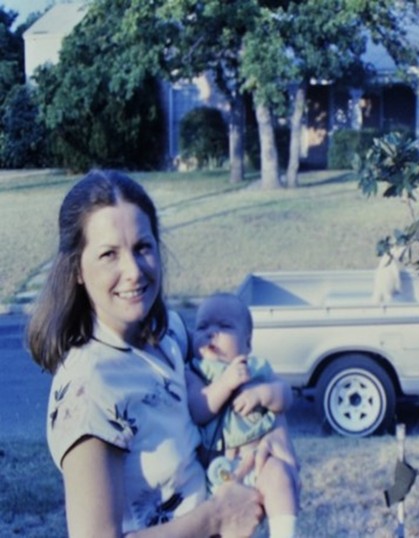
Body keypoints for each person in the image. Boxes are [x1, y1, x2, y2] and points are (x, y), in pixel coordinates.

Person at [26, 169, 298, 538]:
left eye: (142, 247)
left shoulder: (169, 332)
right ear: (77, 269)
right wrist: (216, 518)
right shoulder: (88, 390)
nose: (133, 271)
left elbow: (214, 410)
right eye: (109, 254)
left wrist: (273, 438)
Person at [187, 292, 298, 538]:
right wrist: (225, 383)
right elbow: (198, 408)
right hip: (216, 472)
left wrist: (264, 393)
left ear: (247, 343)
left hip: (260, 459)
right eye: (202, 326)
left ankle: (284, 533)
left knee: (280, 476)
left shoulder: (257, 368)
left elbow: (286, 396)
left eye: (224, 326)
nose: (211, 333)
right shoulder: (195, 372)